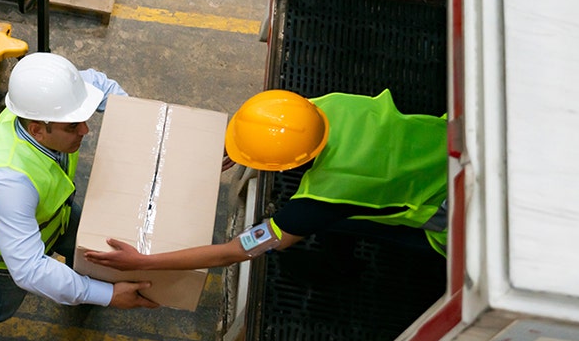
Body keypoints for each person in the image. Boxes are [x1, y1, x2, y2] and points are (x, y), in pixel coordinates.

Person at [0, 52, 158, 341]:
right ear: (38, 128)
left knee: (89, 247)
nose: (85, 131)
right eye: (72, 127)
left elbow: (99, 85)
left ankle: (82, 286)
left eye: (83, 119)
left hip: (55, 216)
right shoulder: (7, 183)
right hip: (4, 261)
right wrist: (108, 295)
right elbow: (29, 269)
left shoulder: (52, 102)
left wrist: (148, 131)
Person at [84, 88, 448, 272]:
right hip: (459, 143)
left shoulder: (319, 202)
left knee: (346, 224)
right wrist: (238, 144)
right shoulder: (329, 106)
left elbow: (235, 251)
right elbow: (276, 125)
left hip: (453, 208)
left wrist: (144, 261)